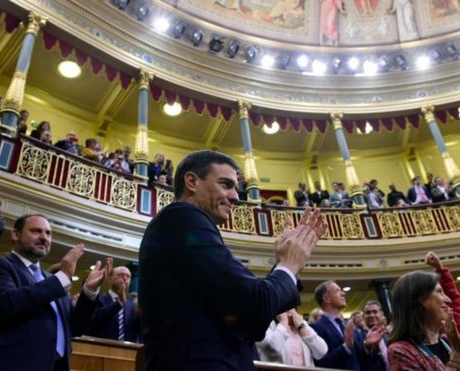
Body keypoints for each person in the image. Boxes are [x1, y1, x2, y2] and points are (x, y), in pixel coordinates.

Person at [138, 150, 327, 370]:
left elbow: (253, 321)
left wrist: (287, 267)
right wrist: (288, 266)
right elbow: (255, 305)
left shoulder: (185, 224)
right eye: (226, 185)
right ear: (192, 181)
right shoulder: (182, 218)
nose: (236, 196)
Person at [0, 214, 110, 371]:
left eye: (48, 233)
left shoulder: (52, 279)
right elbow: (5, 305)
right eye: (36, 231)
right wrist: (62, 277)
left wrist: (89, 291)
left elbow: (74, 328)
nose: (44, 238)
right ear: (16, 234)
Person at [388, 271, 460, 371]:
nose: (448, 300)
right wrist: (455, 357)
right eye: (439, 292)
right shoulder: (401, 351)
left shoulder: (453, 341)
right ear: (418, 299)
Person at [310, 280, 386, 370]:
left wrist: (367, 346)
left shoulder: (350, 326)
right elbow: (319, 363)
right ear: (327, 299)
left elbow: (362, 360)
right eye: (337, 291)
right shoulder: (315, 328)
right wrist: (345, 347)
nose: (343, 293)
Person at [85, 266, 141, 343]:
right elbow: (93, 322)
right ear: (110, 278)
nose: (124, 278)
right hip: (101, 349)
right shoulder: (98, 299)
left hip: (128, 351)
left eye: (128, 276)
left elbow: (139, 330)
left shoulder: (133, 305)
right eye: (120, 275)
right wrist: (119, 303)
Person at [256, 308, 328, 366]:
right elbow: (272, 348)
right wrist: (283, 322)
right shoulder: (266, 323)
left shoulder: (301, 323)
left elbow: (322, 351)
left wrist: (301, 327)